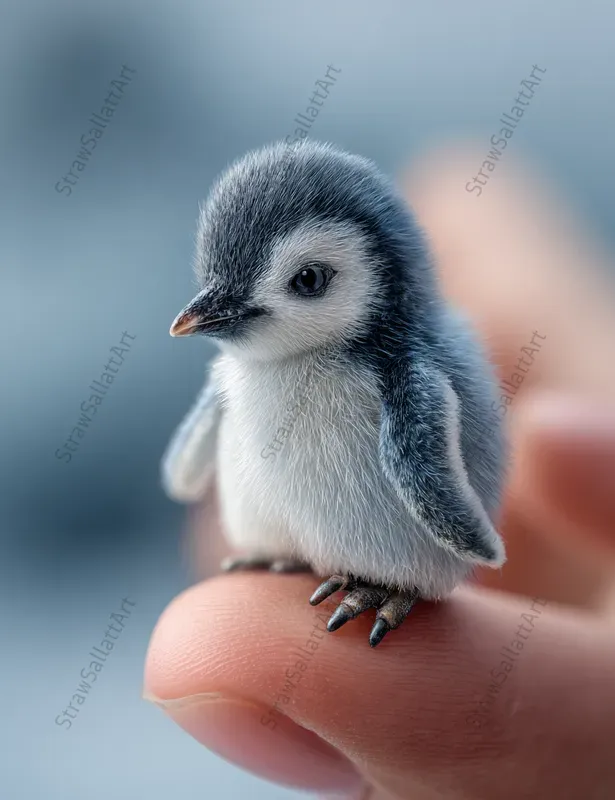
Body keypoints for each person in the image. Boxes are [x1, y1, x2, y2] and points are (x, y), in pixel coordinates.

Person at [144, 145, 615, 799]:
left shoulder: (396, 368)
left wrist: (460, 536)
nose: (237, 309)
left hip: (404, 552)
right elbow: (192, 453)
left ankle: (395, 583)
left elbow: (425, 463)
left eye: (306, 281)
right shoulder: (243, 368)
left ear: (379, 280)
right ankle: (292, 553)